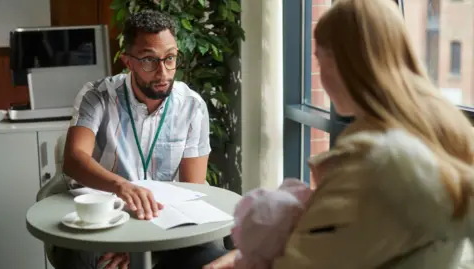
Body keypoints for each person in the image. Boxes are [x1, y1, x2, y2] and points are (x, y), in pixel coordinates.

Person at [205, 0, 474, 268]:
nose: (321, 75)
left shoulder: (375, 165)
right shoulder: (445, 137)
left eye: (320, 62)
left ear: (341, 64)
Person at [53, 9, 227, 269]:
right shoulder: (97, 96)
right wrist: (122, 187)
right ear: (128, 61)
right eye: (149, 60)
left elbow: (194, 189)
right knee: (78, 257)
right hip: (104, 218)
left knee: (214, 254)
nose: (163, 72)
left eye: (170, 58)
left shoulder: (192, 106)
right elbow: (75, 159)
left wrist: (142, 244)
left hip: (162, 220)